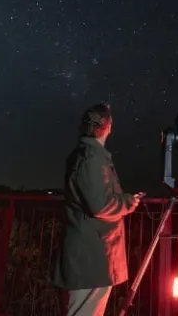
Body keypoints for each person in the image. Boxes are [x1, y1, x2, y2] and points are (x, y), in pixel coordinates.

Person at [53, 103, 144, 316]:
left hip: (92, 255)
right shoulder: (91, 159)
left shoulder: (88, 155)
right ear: (108, 126)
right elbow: (100, 204)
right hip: (91, 258)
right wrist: (129, 202)